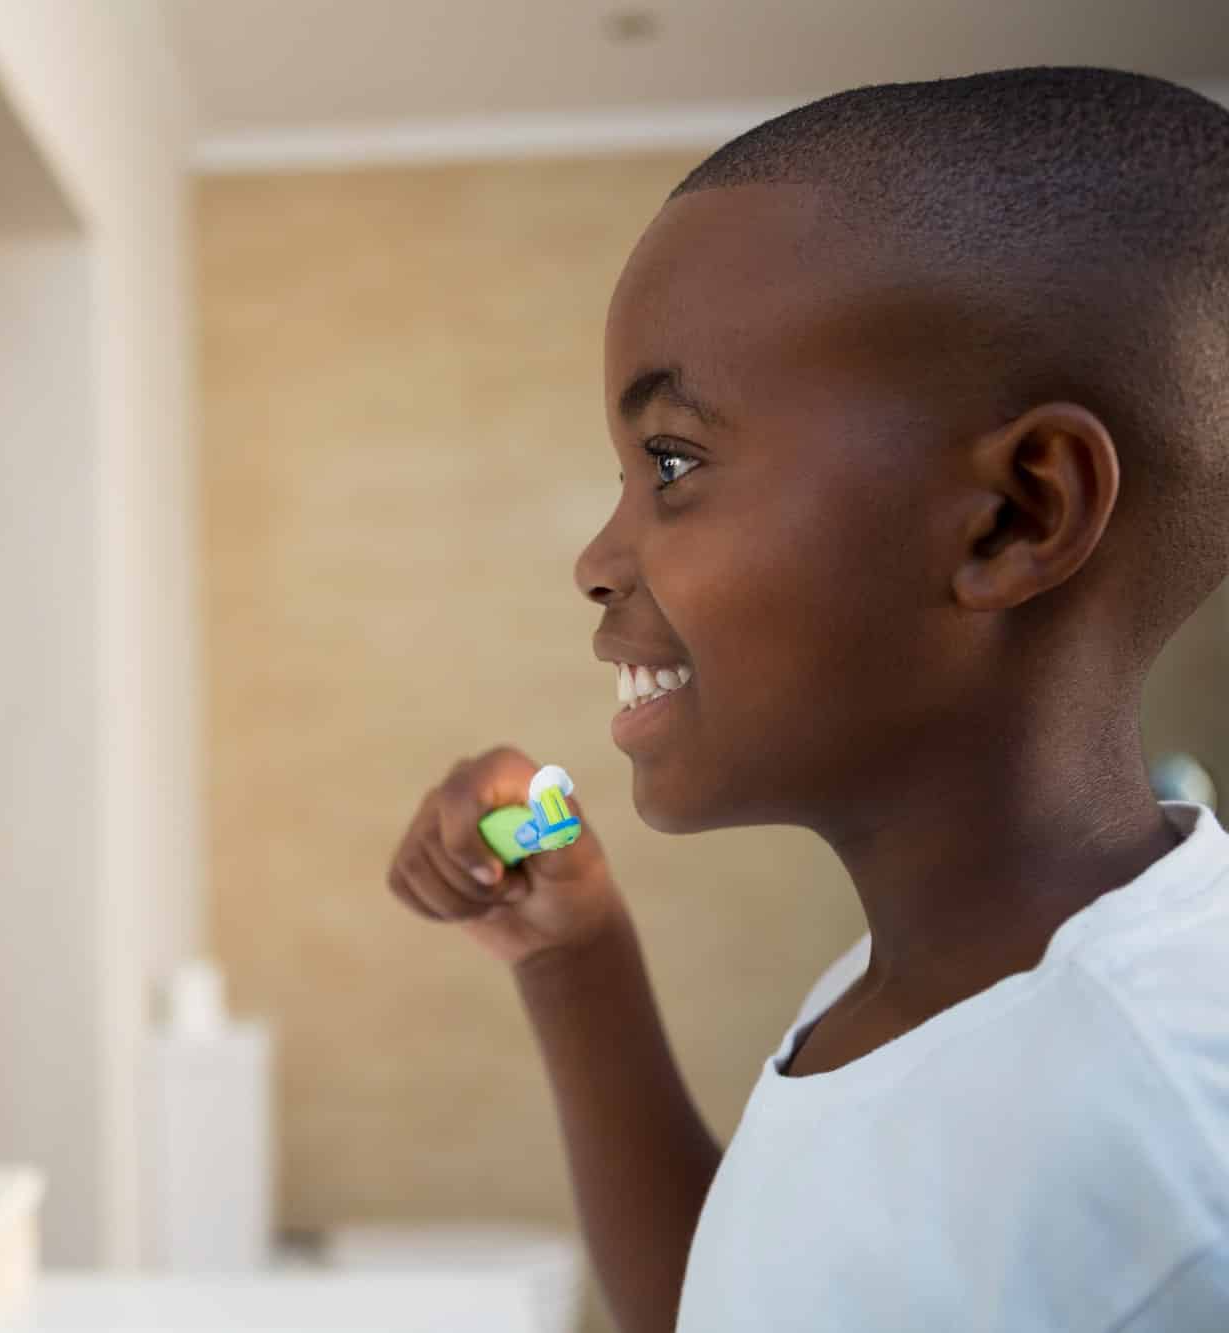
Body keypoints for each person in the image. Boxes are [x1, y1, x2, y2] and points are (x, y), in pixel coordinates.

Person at [385, 67, 1229, 1333]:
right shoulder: (923, 979)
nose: (595, 559)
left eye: (670, 461)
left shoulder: (1155, 1158)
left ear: (1015, 515)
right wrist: (573, 960)